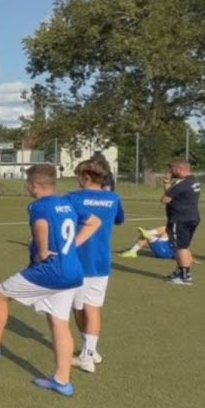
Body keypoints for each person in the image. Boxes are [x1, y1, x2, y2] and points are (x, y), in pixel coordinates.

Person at [0, 164, 96, 397]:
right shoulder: (68, 202)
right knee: (59, 323)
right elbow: (94, 221)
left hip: (50, 270)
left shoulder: (38, 206)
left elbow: (41, 225)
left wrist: (43, 250)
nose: (26, 187)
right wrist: (72, 245)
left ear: (35, 185)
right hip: (74, 271)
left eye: (27, 183)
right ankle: (62, 381)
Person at [65, 159, 125, 374]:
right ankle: (90, 352)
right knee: (93, 307)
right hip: (101, 262)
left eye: (78, 176)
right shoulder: (114, 198)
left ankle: (87, 356)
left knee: (78, 308)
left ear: (86, 177)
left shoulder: (72, 198)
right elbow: (119, 220)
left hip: (78, 260)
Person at [161, 159, 200, 285]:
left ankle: (185, 276)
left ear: (179, 169)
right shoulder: (193, 180)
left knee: (180, 247)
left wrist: (168, 186)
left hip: (180, 218)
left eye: (172, 168)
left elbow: (165, 199)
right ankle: (180, 271)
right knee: (183, 246)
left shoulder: (182, 183)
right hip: (192, 217)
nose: (170, 171)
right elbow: (172, 195)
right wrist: (167, 183)